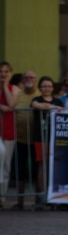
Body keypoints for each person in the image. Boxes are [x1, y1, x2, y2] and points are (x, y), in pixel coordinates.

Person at [31, 76, 64, 207]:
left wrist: (51, 107)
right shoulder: (36, 99)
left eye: (49, 86)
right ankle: (40, 195)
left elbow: (63, 109)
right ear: (40, 88)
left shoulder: (58, 101)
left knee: (52, 166)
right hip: (40, 138)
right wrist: (51, 107)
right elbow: (35, 105)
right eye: (44, 86)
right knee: (41, 166)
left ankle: (51, 196)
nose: (47, 88)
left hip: (54, 138)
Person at [13, 70, 39, 210]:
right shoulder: (17, 94)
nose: (29, 79)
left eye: (32, 77)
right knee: (20, 171)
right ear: (23, 80)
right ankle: (20, 201)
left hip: (36, 140)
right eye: (26, 77)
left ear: (36, 80)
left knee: (37, 171)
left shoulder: (40, 94)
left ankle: (37, 201)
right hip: (20, 139)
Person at [0, 61, 18, 208]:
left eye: (6, 72)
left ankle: (3, 197)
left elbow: (11, 105)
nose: (3, 74)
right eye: (1, 71)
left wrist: (5, 86)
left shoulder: (15, 89)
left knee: (6, 166)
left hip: (8, 131)